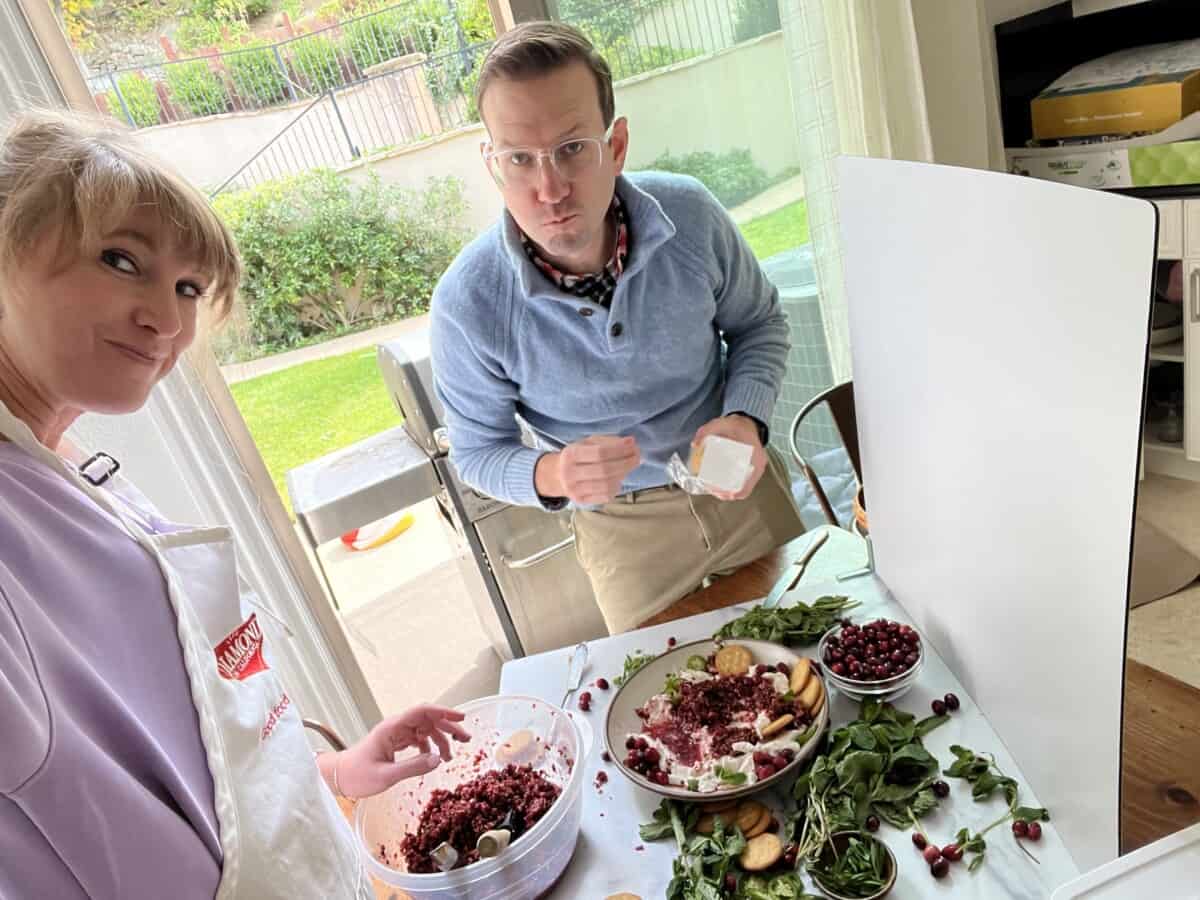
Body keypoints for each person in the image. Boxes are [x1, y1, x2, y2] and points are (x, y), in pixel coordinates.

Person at [0, 111, 469, 900]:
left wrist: (333, 774)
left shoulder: (75, 464)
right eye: (122, 260)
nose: (170, 321)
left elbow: (189, 746)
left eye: (188, 286)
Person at [430, 22, 805, 633]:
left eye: (573, 147)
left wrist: (745, 415)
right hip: (620, 533)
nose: (549, 188)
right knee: (671, 709)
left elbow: (758, 323)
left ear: (618, 145)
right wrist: (551, 474)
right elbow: (476, 453)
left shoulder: (691, 215)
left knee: (812, 655)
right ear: (492, 165)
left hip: (740, 485)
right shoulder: (467, 305)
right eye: (520, 158)